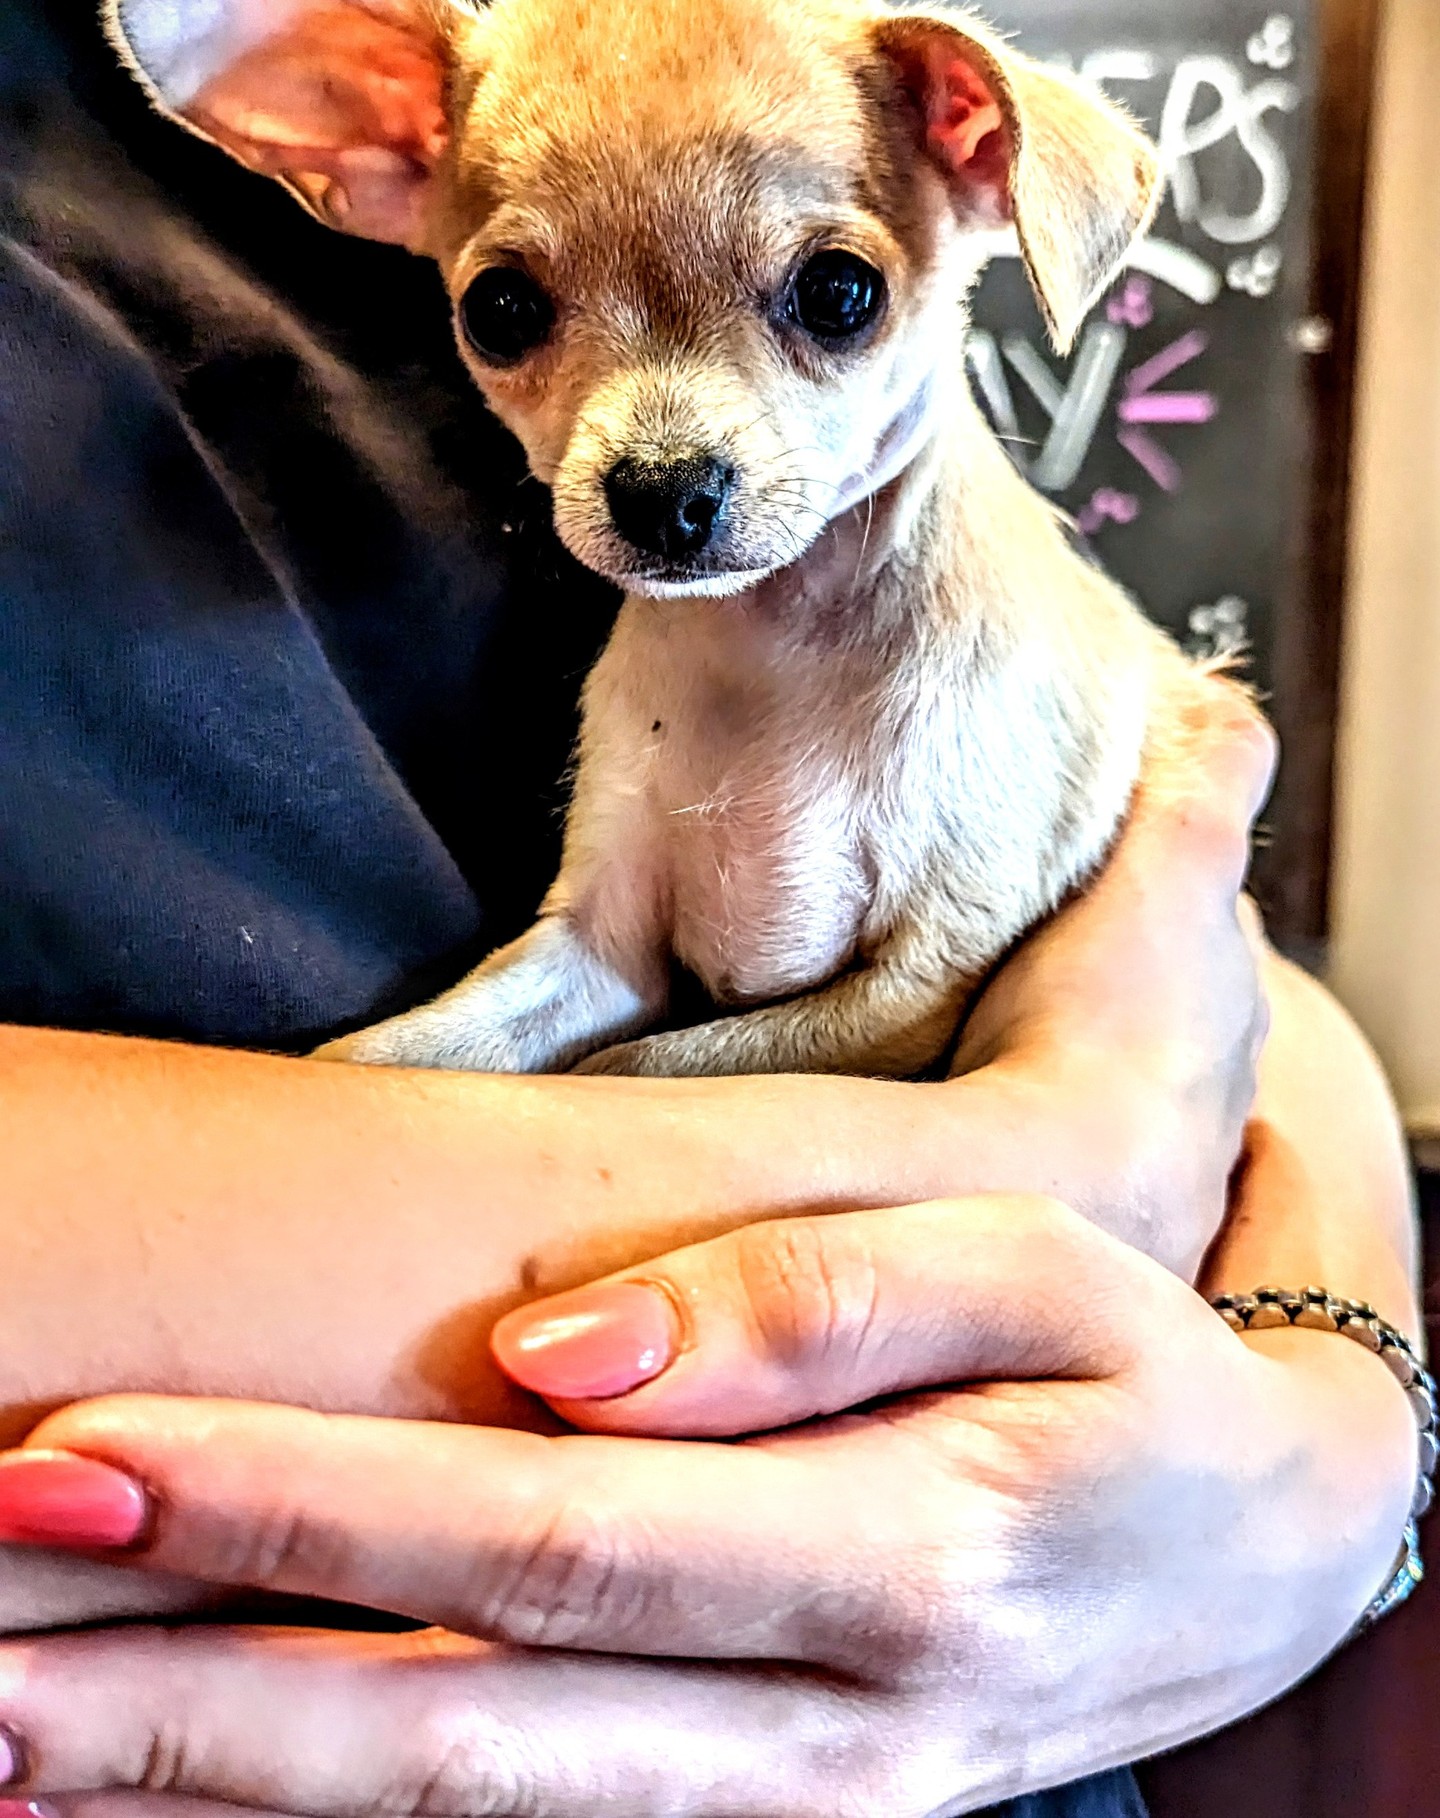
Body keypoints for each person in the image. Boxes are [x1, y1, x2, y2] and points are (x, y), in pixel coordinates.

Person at [0, 1, 1422, 1813]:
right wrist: (392, 1112)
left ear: (975, 167)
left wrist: (1341, 1387)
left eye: (825, 298)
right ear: (372, 155)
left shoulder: (964, 609)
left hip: (979, 1685)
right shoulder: (638, 596)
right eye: (520, 315)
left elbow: (1184, 999)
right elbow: (610, 970)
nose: (661, 449)